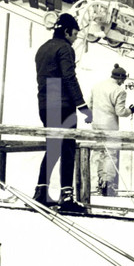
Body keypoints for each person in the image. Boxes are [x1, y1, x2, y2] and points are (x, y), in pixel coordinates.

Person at [35, 12, 93, 213]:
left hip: (46, 101)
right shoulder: (64, 48)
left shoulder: (43, 49)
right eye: (75, 33)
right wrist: (82, 106)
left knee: (52, 147)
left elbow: (50, 80)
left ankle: (41, 191)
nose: (75, 37)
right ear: (67, 31)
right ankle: (66, 196)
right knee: (67, 147)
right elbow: (69, 77)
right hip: (63, 103)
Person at [89, 64, 134, 196]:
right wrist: (130, 110)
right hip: (110, 126)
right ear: (120, 78)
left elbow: (90, 104)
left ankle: (99, 182)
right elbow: (120, 111)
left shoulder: (97, 86)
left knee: (100, 154)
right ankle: (108, 184)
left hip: (96, 124)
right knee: (110, 155)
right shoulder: (119, 91)